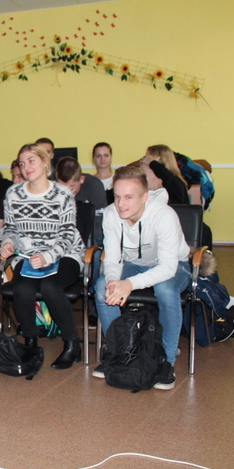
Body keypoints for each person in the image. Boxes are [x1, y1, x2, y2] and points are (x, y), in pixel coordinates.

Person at [93, 166, 191, 390]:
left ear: (145, 197)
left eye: (129, 197)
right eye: (117, 196)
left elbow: (167, 268)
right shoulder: (110, 214)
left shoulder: (164, 215)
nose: (121, 204)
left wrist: (129, 284)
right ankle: (118, 351)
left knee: (165, 290)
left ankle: (166, 360)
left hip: (175, 265)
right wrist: (113, 281)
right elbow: (112, 259)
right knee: (101, 288)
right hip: (134, 265)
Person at [0, 143, 86, 370]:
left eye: (31, 161)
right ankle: (30, 341)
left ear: (45, 162)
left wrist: (48, 256)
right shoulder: (13, 194)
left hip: (65, 253)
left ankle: (72, 344)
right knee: (22, 288)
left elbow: (68, 234)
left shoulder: (62, 193)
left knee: (50, 287)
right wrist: (8, 243)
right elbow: (11, 229)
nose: (26, 167)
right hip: (28, 255)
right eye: (22, 163)